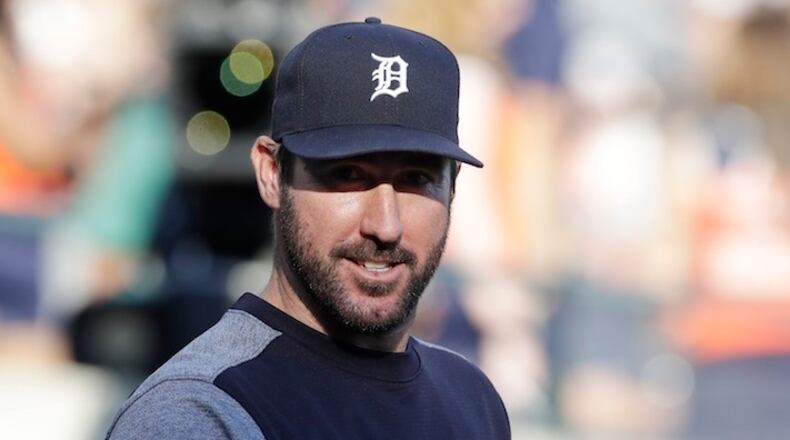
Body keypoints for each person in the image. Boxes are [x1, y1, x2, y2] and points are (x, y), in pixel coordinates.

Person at [105, 17, 510, 440]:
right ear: (270, 172)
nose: (385, 226)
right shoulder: (201, 412)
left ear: (453, 188)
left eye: (417, 179)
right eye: (348, 174)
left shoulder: (471, 397)